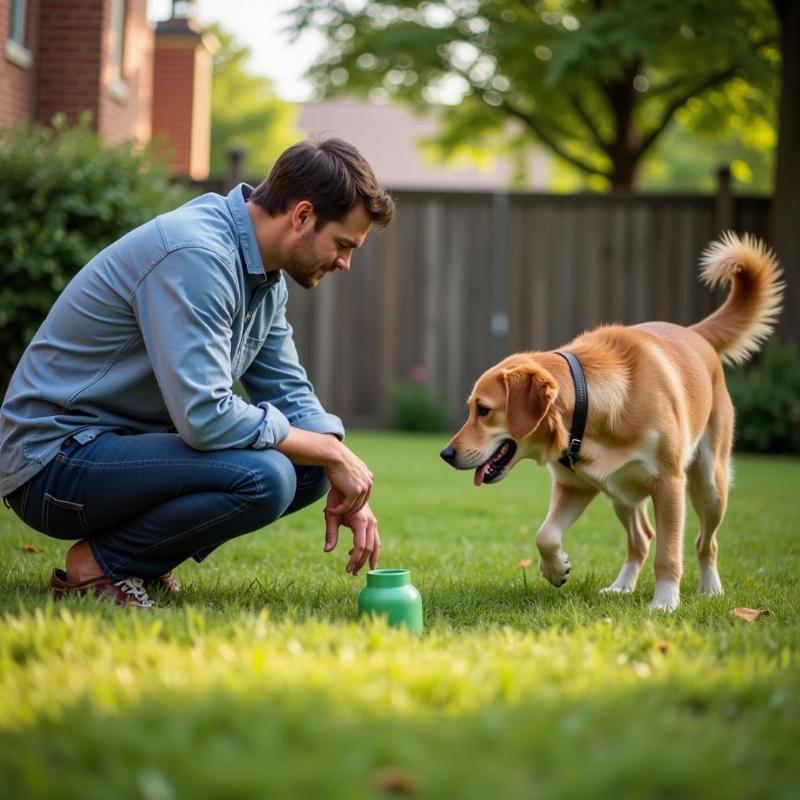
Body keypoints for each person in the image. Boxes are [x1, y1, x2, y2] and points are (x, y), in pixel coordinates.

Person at [0, 137, 395, 608]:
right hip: (54, 463)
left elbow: (291, 392)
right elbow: (205, 415)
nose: (345, 263)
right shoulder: (197, 255)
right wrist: (329, 453)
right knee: (267, 475)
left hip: (122, 451)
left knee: (309, 468)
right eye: (344, 244)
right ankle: (99, 564)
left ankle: (143, 559)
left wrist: (343, 470)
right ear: (303, 215)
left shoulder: (264, 281)